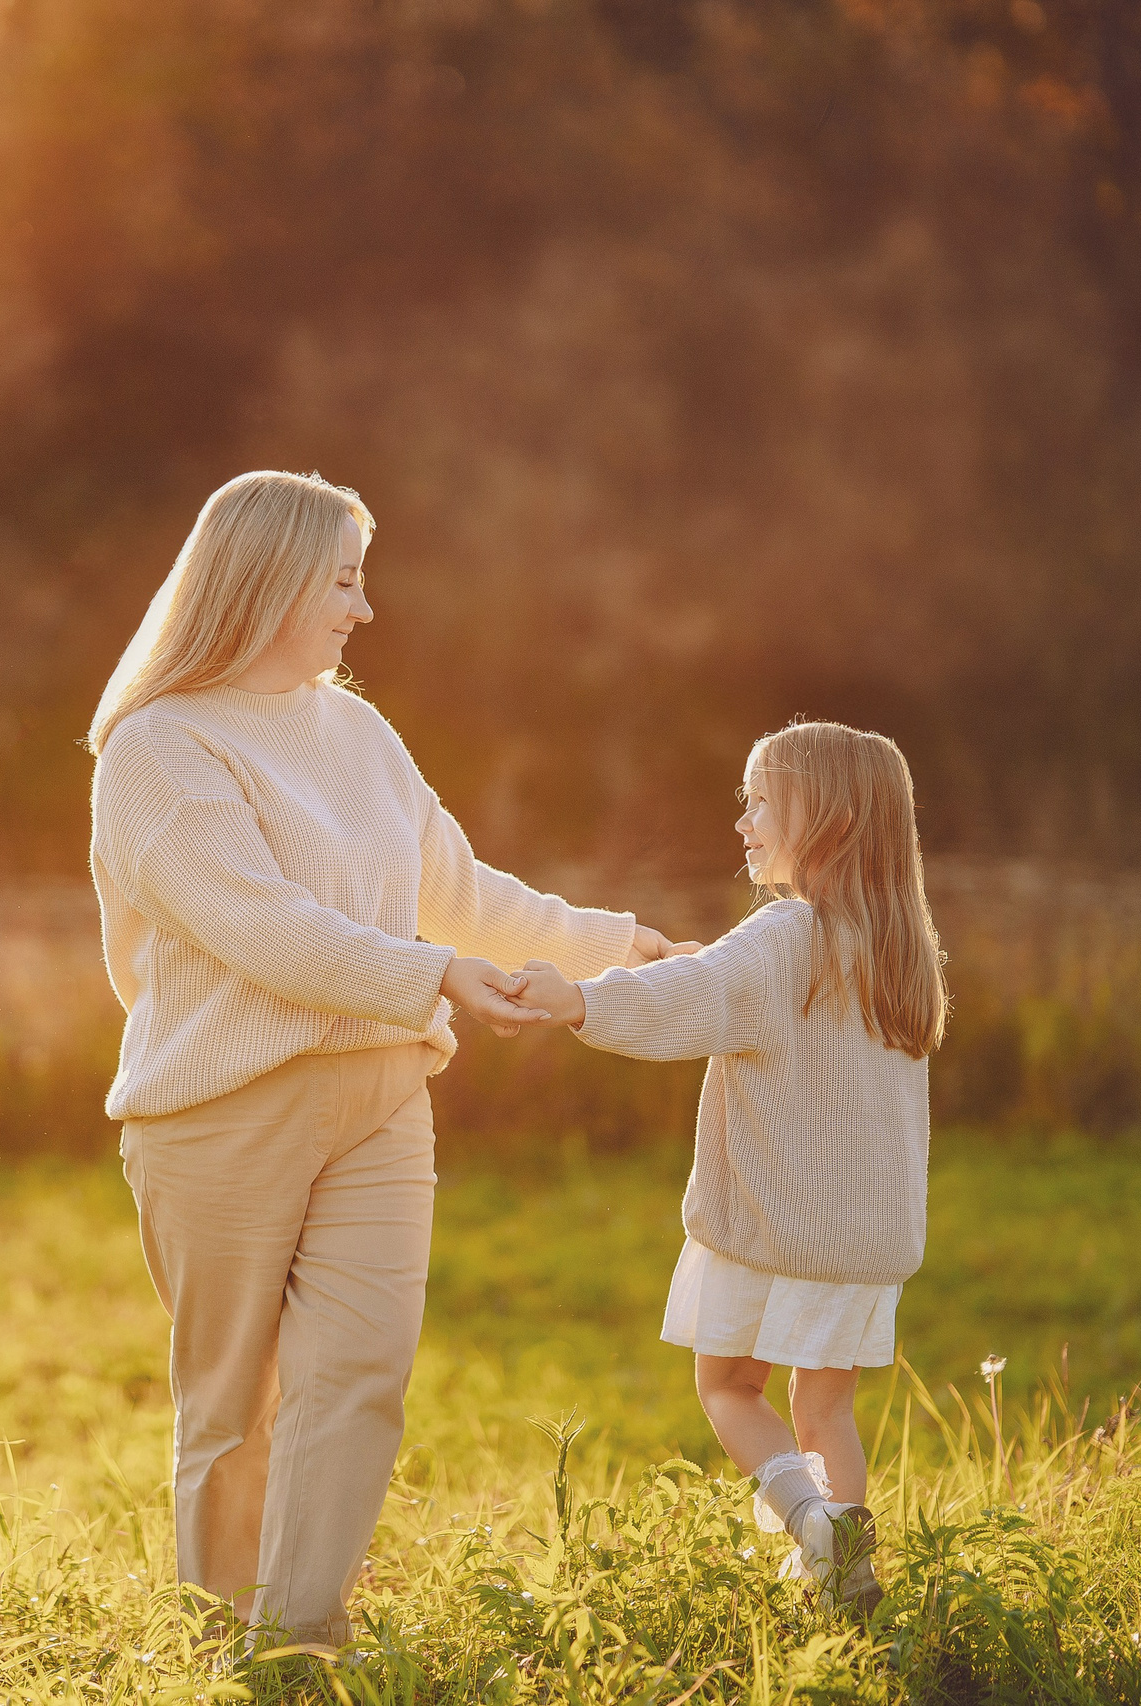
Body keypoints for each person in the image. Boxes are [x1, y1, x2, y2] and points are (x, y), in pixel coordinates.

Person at [87, 469, 682, 1647]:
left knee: (357, 1377)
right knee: (233, 1404)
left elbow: (457, 892)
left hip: (381, 1096)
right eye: (344, 581)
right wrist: (430, 973)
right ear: (265, 583)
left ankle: (300, 1642)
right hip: (219, 1115)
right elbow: (260, 927)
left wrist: (624, 945)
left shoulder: (355, 729)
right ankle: (225, 1641)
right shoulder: (155, 750)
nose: (364, 609)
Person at [513, 719, 947, 1614]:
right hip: (863, 1242)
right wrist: (703, 966)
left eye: (760, 802)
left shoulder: (786, 933)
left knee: (728, 1387)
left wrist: (578, 1001)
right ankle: (846, 1571)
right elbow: (721, 985)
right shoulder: (902, 953)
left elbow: (699, 999)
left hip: (773, 1227)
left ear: (822, 816)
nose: (742, 822)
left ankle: (814, 1526)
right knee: (828, 1413)